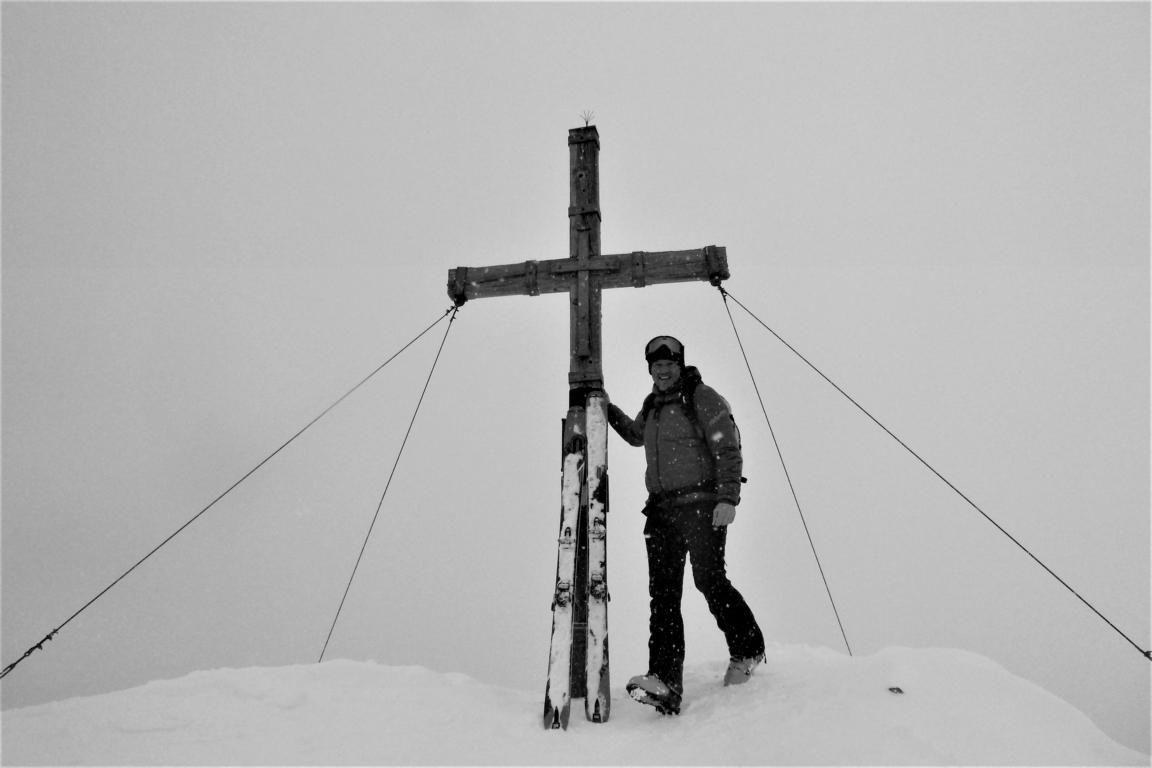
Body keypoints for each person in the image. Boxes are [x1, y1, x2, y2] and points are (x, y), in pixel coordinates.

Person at [606, 335, 765, 715]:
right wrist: (605, 407)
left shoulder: (701, 397)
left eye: (669, 364)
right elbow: (635, 435)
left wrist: (728, 498)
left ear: (679, 365)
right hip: (661, 511)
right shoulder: (653, 405)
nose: (662, 370)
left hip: (701, 505)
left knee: (709, 580)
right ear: (650, 369)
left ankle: (747, 649)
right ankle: (665, 682)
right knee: (662, 595)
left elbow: (728, 446)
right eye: (656, 366)